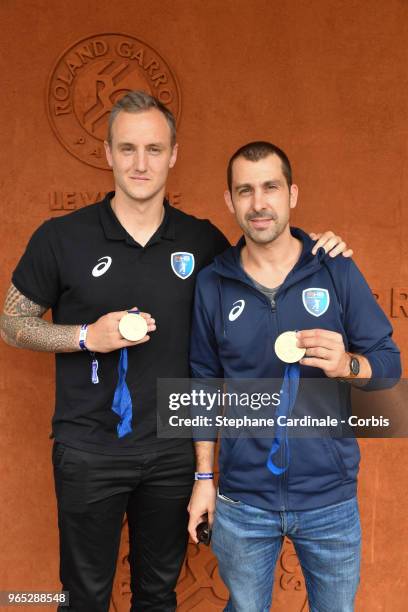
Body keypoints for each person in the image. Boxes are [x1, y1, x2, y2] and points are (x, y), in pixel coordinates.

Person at [0, 92, 351, 612]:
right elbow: (11, 323)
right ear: (107, 153)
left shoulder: (204, 240)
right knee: (83, 596)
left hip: (173, 452)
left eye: (153, 149)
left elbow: (270, 255)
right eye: (128, 148)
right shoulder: (61, 238)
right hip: (88, 449)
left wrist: (322, 248)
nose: (140, 163)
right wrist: (81, 337)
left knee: (158, 595)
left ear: (173, 154)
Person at [187, 141, 401, 612]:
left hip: (330, 500)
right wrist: (205, 476)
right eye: (244, 190)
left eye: (270, 187)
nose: (258, 203)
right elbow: (202, 383)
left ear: (292, 195)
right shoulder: (212, 283)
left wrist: (348, 364)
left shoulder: (336, 269)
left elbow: (389, 365)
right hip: (243, 502)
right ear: (230, 201)